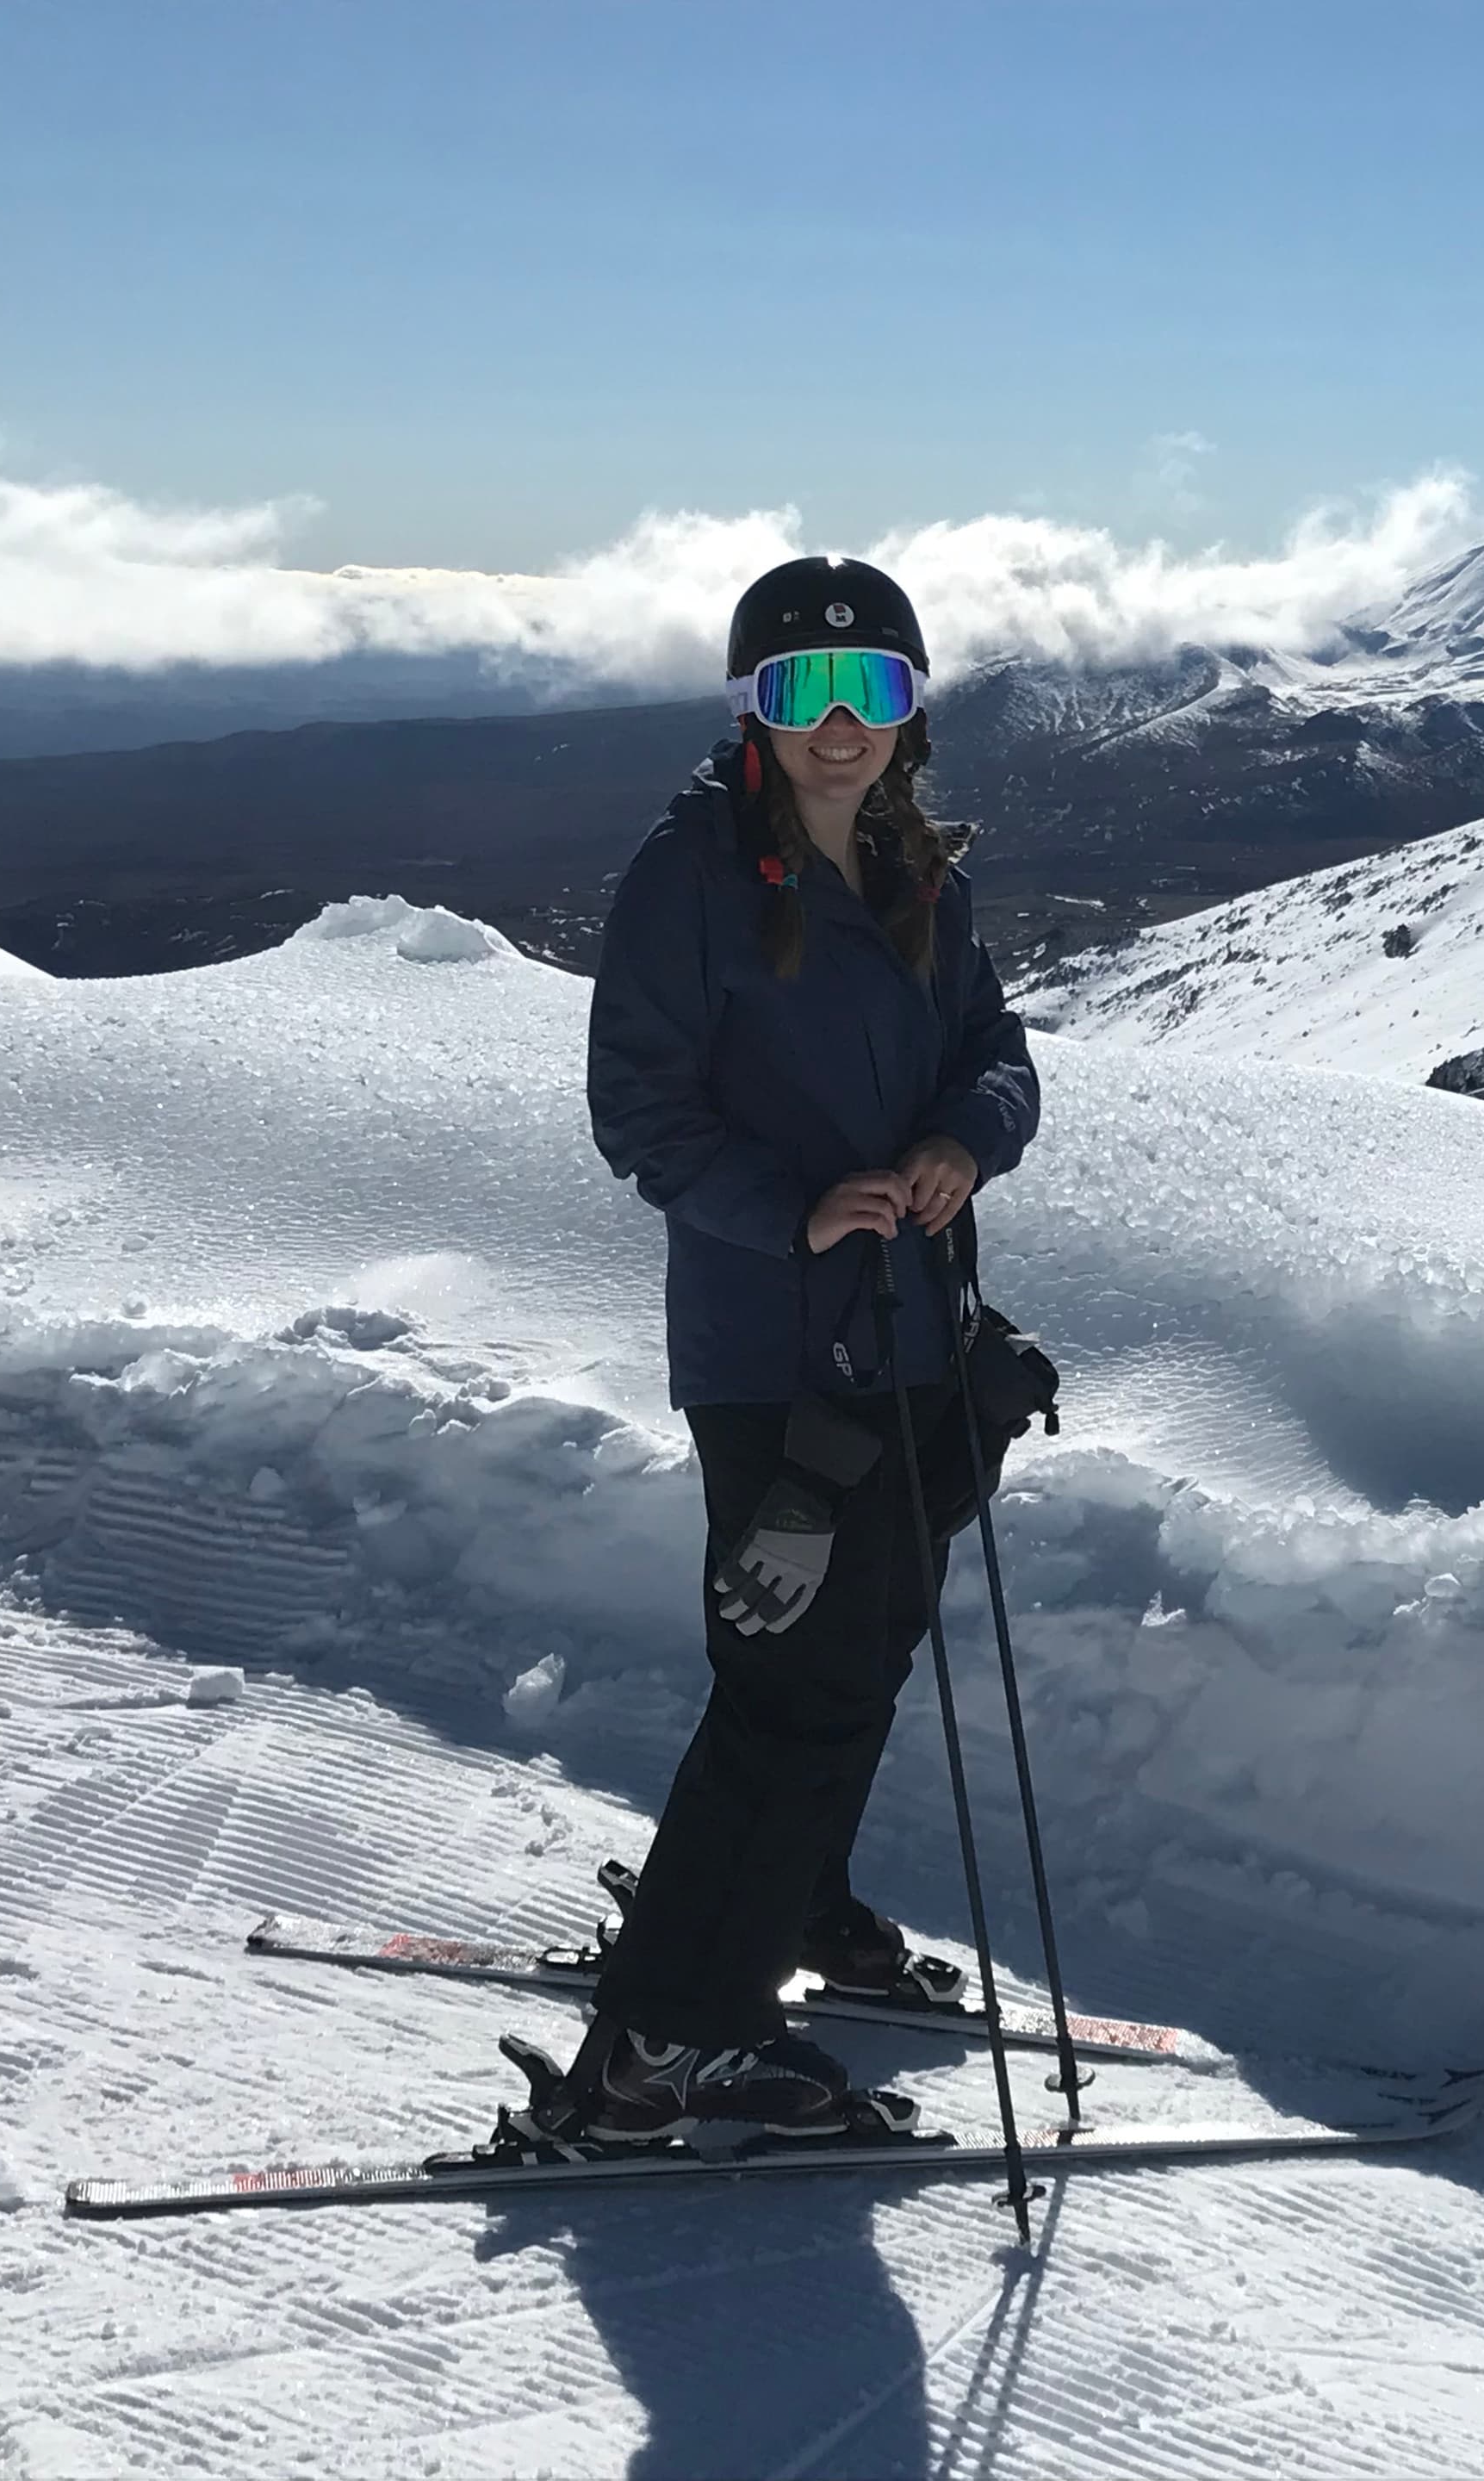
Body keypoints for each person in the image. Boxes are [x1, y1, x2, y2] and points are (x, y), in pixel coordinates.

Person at [576, 554, 1039, 2141]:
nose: (842, 723)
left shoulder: (919, 872)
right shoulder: (690, 875)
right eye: (804, 689)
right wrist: (793, 1214)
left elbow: (994, 1049)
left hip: (912, 1332)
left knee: (860, 1652)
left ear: (911, 712)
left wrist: (966, 1140)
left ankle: (793, 1907)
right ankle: (664, 2042)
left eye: (874, 688)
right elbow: (639, 1112)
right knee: (796, 1688)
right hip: (774, 1353)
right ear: (754, 712)